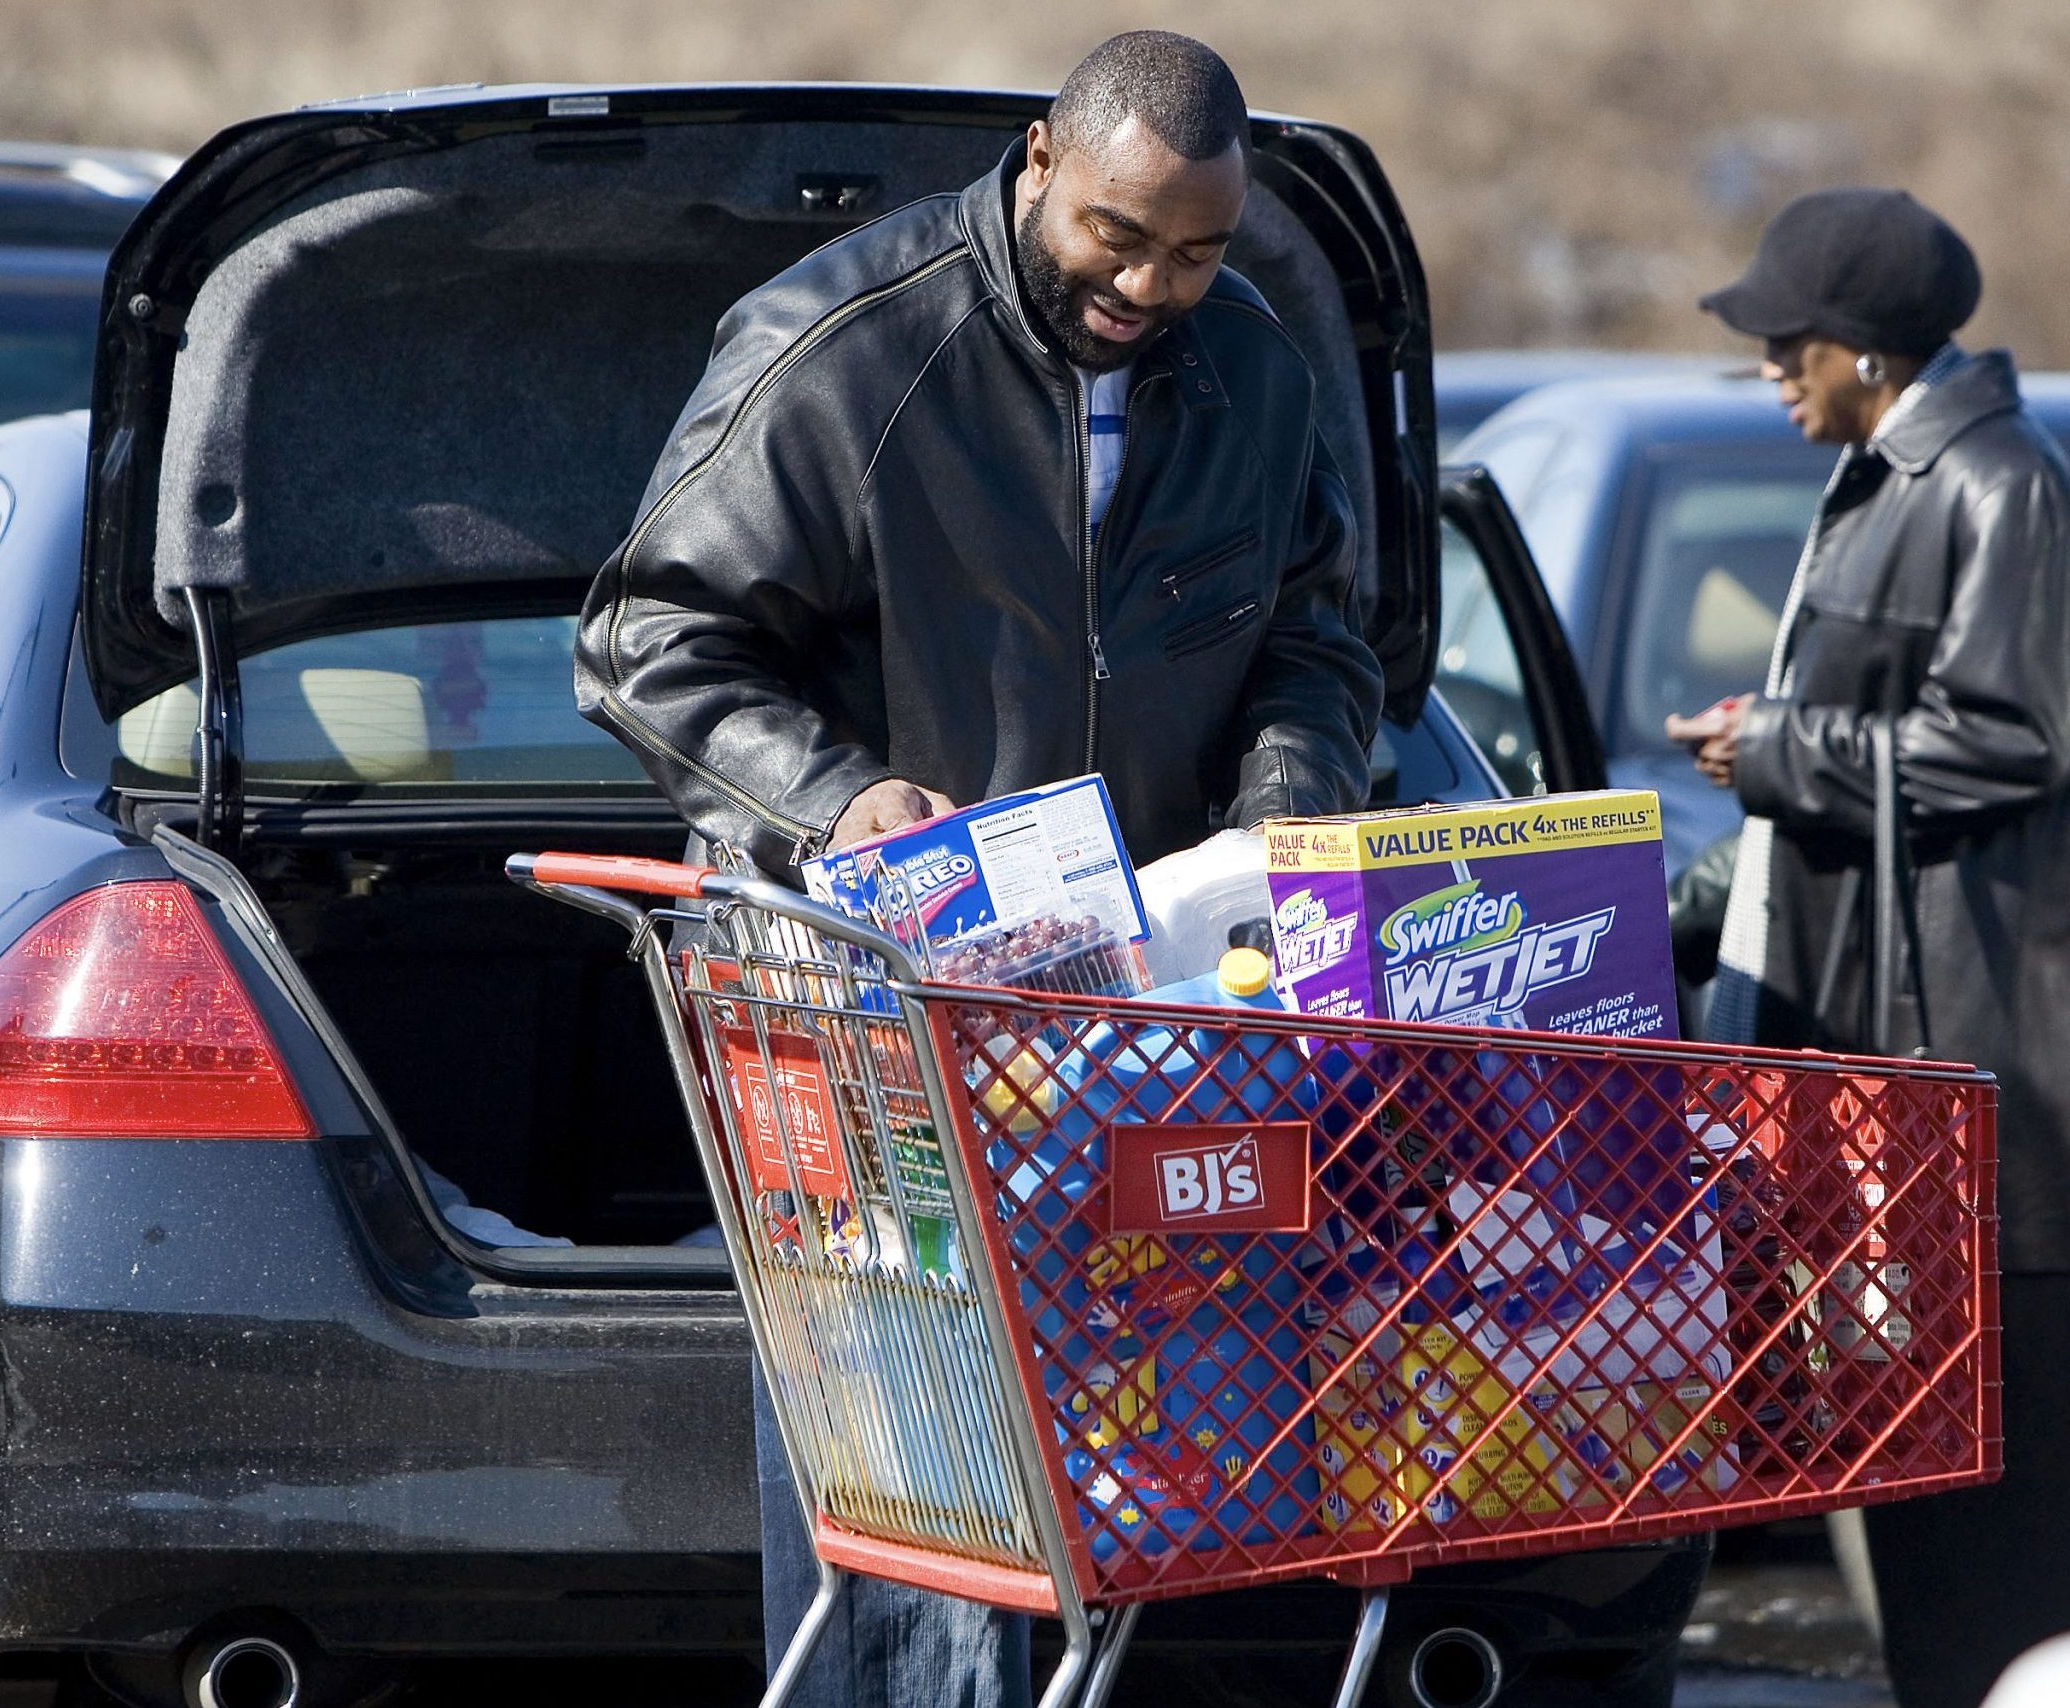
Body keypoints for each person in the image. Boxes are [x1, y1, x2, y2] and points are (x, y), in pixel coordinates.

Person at [577, 31, 1381, 1706]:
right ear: (1038, 161)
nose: (1153, 284)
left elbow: (1319, 638)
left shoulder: (1258, 365)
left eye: (1198, 250)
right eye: (1118, 234)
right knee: (916, 1482)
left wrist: (1285, 811)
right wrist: (844, 804)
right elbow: (647, 638)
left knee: (1138, 1492)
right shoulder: (843, 350)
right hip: (866, 1007)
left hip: (1142, 1013)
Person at [1668, 188, 2070, 1708]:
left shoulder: (2002, 485)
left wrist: (1781, 748)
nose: (1772, 372)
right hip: (1922, 1082)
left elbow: (2015, 734)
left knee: (2008, 1499)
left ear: (1861, 351)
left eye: (1787, 346)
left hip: (2013, 1089)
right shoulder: (1891, 472)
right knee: (1922, 1471)